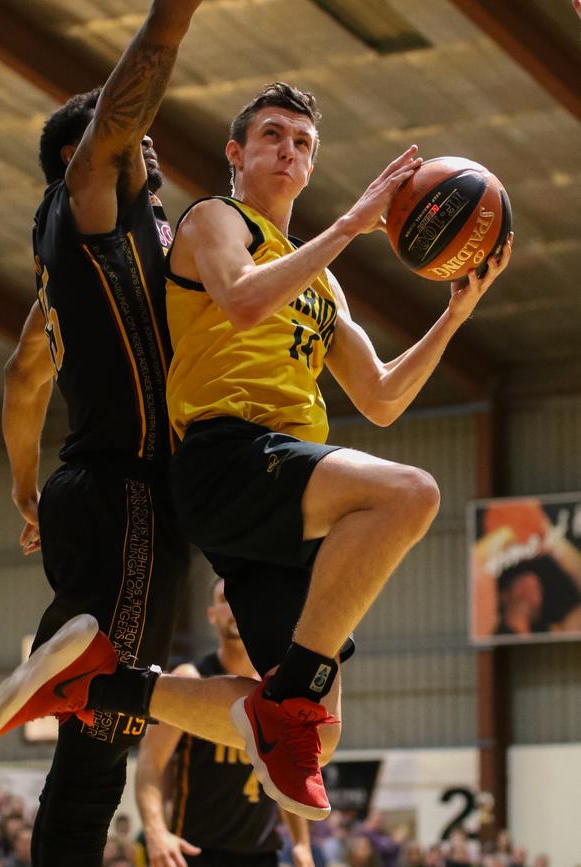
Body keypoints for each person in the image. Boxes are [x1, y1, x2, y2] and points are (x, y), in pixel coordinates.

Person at [0, 2, 278, 864]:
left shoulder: (77, 260)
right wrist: (174, 13)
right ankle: (69, 657)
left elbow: (23, 376)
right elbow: (123, 107)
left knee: (95, 741)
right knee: (98, 743)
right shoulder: (88, 206)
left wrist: (21, 486)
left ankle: (70, 647)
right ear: (85, 157)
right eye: (133, 139)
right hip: (129, 487)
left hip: (94, 488)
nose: (153, 148)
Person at [163, 81, 513, 818]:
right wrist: (353, 224)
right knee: (410, 492)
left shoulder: (321, 279)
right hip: (226, 453)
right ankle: (292, 692)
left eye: (303, 143)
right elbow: (244, 298)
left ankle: (106, 685)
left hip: (276, 490)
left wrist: (455, 315)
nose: (290, 149)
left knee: (317, 741)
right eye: (273, 136)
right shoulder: (214, 219)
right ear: (237, 152)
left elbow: (381, 397)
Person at [135, 577, 314, 867]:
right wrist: (155, 832)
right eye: (224, 599)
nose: (235, 607)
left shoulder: (277, 688)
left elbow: (288, 774)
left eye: (241, 598)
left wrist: (302, 844)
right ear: (212, 615)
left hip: (262, 854)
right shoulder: (190, 680)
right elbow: (150, 763)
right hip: (196, 852)